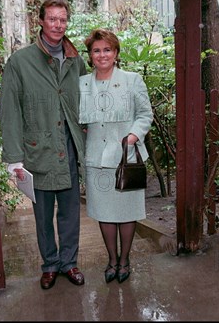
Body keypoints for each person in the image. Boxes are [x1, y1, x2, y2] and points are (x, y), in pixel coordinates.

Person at [0, 0, 87, 290]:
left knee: (71, 212)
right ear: (40, 21)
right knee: (43, 216)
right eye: (52, 18)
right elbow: (9, 111)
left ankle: (69, 262)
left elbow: (87, 101)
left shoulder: (77, 60)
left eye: (62, 19)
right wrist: (15, 159)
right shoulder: (20, 62)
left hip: (70, 149)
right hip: (38, 153)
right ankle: (50, 264)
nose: (58, 25)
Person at [79, 28, 153, 283]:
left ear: (116, 53)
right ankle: (112, 259)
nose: (102, 55)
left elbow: (145, 114)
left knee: (126, 211)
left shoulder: (132, 80)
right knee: (105, 212)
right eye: (97, 50)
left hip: (125, 158)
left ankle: (125, 260)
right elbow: (78, 119)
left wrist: (133, 135)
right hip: (97, 159)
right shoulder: (83, 84)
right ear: (90, 55)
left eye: (107, 49)